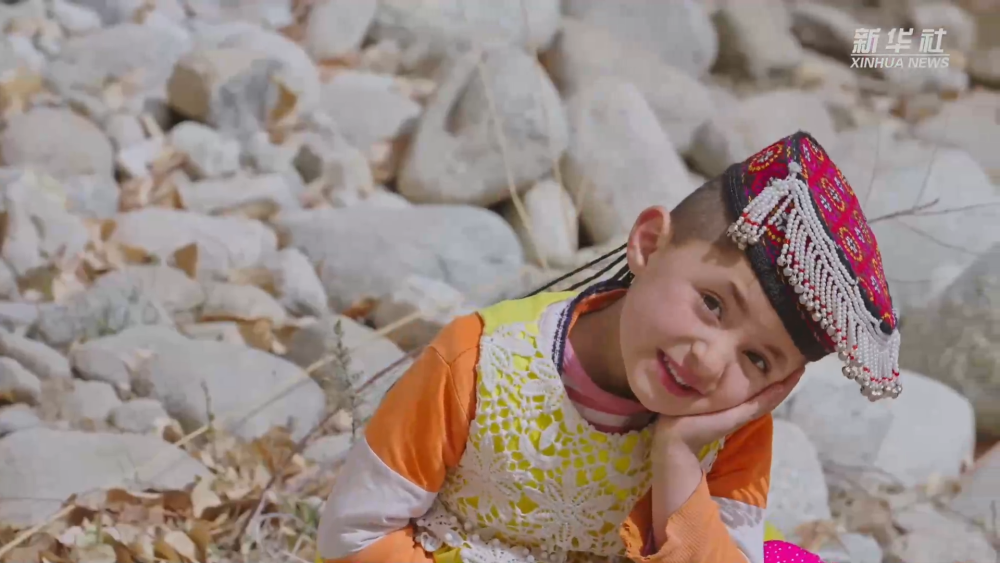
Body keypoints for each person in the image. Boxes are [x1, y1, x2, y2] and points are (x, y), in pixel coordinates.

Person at [314, 131, 902, 563]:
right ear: (648, 243)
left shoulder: (731, 430)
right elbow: (354, 535)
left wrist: (678, 458)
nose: (710, 359)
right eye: (713, 304)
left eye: (757, 359)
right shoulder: (481, 361)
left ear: (781, 384)